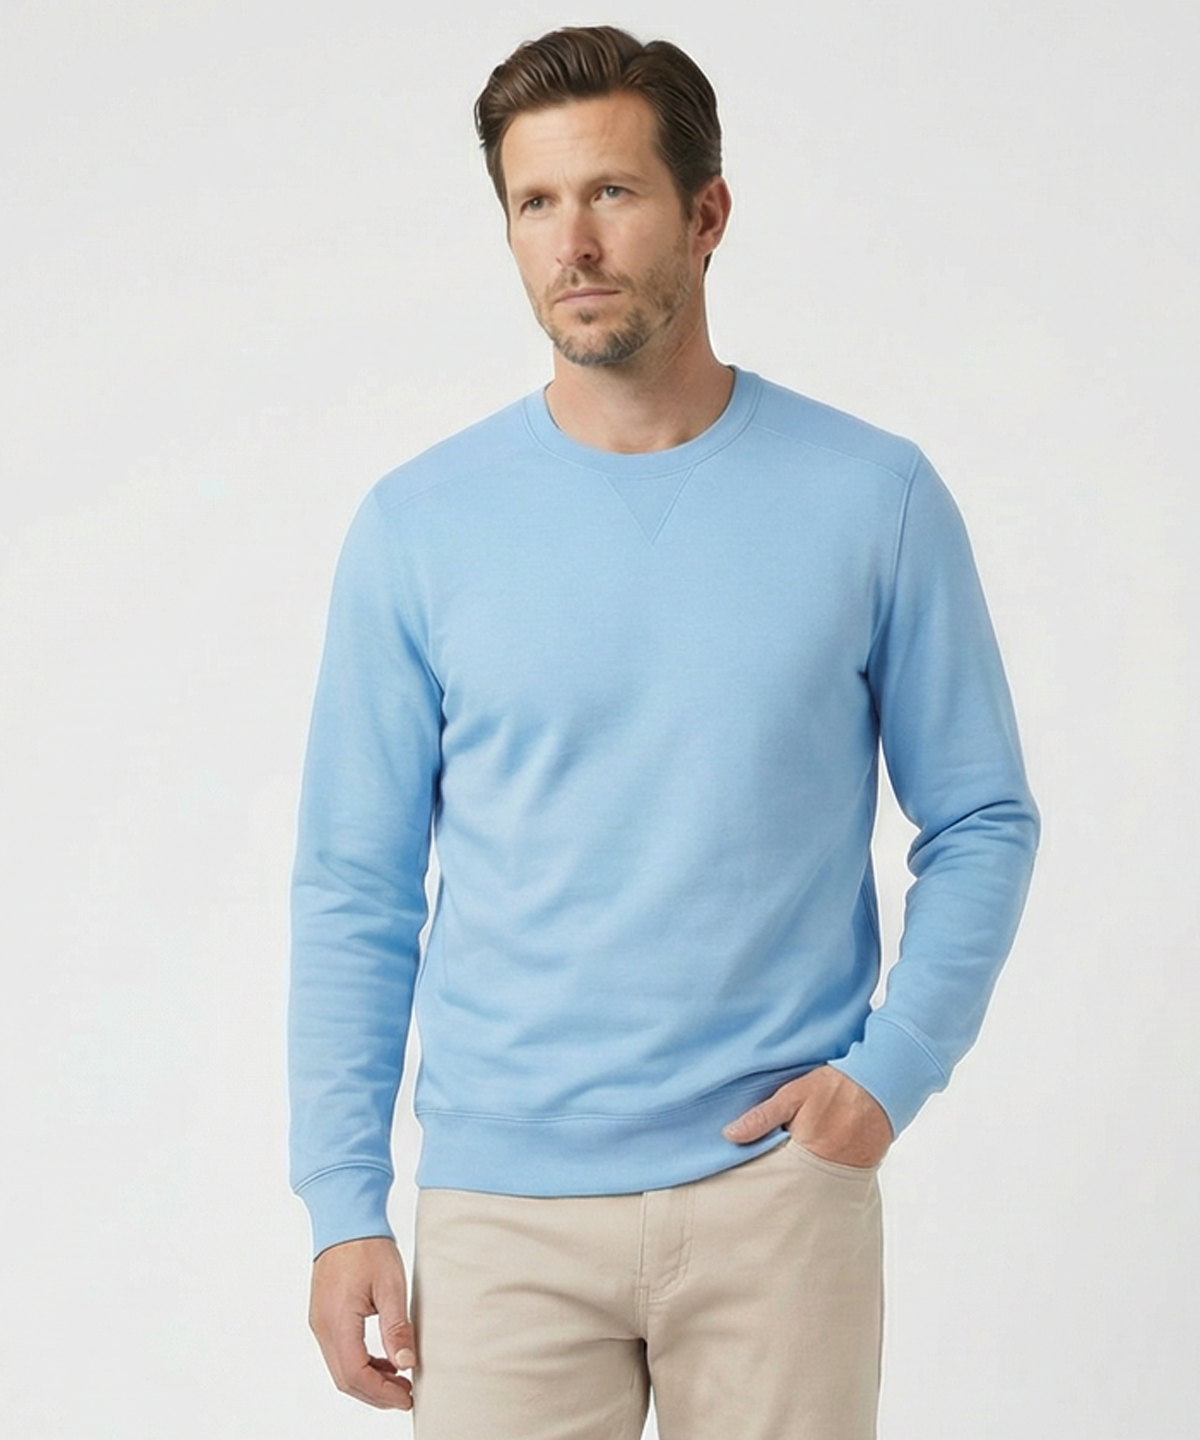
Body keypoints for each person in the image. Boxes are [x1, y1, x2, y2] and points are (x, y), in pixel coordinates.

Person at [289, 24, 1038, 1440]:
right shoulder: (419, 526)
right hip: (502, 1213)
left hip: (778, 1193)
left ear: (707, 214)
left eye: (613, 193)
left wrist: (887, 1077)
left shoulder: (872, 497)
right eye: (535, 202)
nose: (572, 244)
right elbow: (353, 886)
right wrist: (342, 1202)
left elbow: (982, 816)